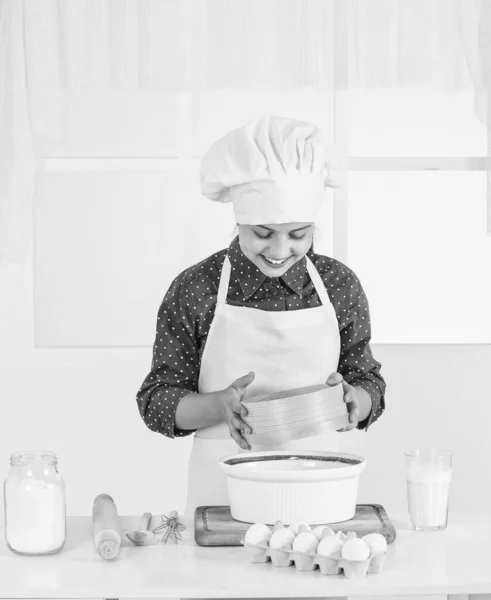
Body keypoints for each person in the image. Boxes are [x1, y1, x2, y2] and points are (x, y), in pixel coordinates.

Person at [136, 116, 386, 520]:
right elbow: (156, 401)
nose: (280, 249)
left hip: (320, 491)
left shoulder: (339, 285)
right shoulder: (196, 288)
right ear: (238, 221)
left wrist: (353, 400)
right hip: (221, 498)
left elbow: (368, 380)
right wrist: (220, 406)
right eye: (263, 233)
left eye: (299, 233)